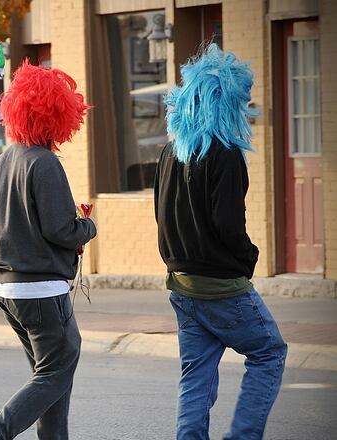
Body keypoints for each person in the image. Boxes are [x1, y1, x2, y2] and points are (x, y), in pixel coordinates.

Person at [154, 44, 287, 440]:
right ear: (226, 103)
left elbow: (160, 216)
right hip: (221, 285)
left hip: (180, 282)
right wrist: (249, 258)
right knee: (269, 353)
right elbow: (230, 225)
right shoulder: (225, 155)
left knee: (196, 372)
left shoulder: (169, 152)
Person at [0, 61, 95, 440]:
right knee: (55, 372)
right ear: (58, 116)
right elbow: (60, 229)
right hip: (40, 289)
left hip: (6, 287)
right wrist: (88, 227)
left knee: (51, 376)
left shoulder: (3, 160)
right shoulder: (44, 162)